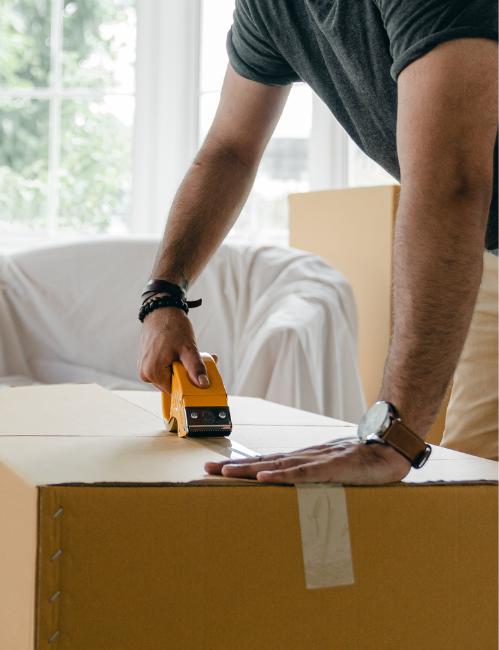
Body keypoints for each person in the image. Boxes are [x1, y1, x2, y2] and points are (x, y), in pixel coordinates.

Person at [138, 0, 498, 484]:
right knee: (480, 487)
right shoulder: (268, 9)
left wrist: (392, 436)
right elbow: (229, 150)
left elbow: (450, 184)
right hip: (489, 252)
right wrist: (164, 294)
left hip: (474, 227)